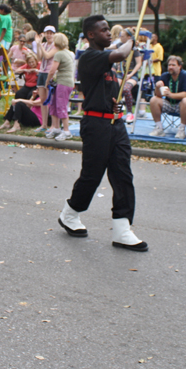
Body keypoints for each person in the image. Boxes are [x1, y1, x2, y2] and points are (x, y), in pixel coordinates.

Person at [57, 15, 147, 252]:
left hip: (115, 125)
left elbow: (108, 91)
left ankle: (122, 229)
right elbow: (120, 53)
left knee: (123, 175)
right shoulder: (88, 57)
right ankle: (70, 213)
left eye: (110, 30)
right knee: (92, 175)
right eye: (104, 30)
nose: (109, 34)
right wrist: (131, 40)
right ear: (91, 35)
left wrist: (114, 103)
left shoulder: (107, 63)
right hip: (96, 126)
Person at [147, 55, 186, 139]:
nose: (170, 67)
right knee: (154, 100)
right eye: (169, 65)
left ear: (180, 66)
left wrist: (171, 95)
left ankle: (181, 129)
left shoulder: (185, 75)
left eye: (173, 65)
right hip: (169, 104)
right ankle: (159, 128)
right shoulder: (165, 76)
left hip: (182, 106)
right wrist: (158, 87)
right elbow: (158, 95)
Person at [44, 32, 74, 141]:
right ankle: (56, 128)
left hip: (63, 82)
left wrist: (47, 81)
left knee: (61, 105)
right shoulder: (67, 53)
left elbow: (52, 70)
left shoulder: (59, 54)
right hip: (66, 82)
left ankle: (66, 131)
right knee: (54, 104)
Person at [34, 26, 57, 132]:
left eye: (51, 33)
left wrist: (40, 45)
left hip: (50, 73)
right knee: (43, 99)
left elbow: (47, 56)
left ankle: (52, 124)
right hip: (42, 72)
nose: (49, 35)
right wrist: (39, 45)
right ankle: (44, 124)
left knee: (50, 99)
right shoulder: (43, 44)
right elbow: (39, 58)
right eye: (47, 33)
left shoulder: (55, 46)